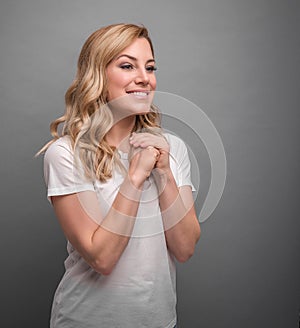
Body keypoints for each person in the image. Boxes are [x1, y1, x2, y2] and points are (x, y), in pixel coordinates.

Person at [39, 23, 200, 328]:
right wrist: (135, 179)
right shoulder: (66, 154)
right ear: (98, 76)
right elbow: (102, 259)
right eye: (127, 66)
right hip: (85, 320)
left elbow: (185, 248)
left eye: (150, 68)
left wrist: (163, 171)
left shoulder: (171, 148)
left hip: (159, 321)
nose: (144, 78)